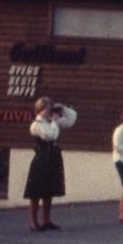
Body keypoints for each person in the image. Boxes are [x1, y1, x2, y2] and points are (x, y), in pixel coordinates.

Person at [24, 96, 77, 232]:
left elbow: (71, 120)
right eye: (47, 109)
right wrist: (54, 121)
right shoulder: (36, 125)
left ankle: (46, 220)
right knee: (35, 192)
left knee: (49, 191)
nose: (50, 111)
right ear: (39, 110)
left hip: (52, 158)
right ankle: (33, 222)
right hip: (41, 159)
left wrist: (63, 107)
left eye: (50, 109)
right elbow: (51, 135)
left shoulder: (50, 122)